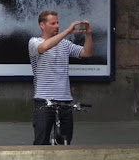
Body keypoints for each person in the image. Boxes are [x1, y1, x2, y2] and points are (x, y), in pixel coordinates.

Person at [28, 10, 93, 145]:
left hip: (65, 100)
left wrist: (88, 35)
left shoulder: (65, 44)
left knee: (65, 142)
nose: (57, 26)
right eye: (53, 23)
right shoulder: (34, 42)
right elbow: (45, 47)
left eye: (57, 23)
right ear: (42, 25)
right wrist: (67, 31)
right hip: (44, 100)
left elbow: (86, 52)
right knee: (41, 142)